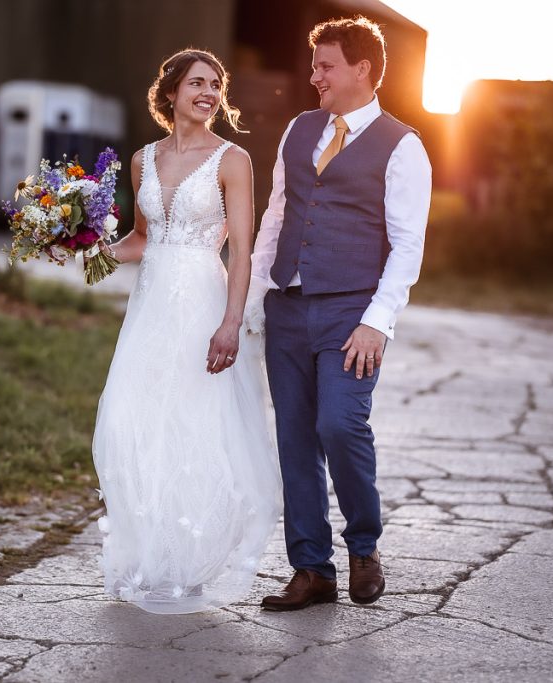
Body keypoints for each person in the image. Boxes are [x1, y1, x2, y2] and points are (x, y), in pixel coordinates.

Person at [246, 16, 432, 611]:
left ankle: (363, 546)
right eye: (314, 64)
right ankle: (312, 569)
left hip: (353, 311)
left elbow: (407, 245)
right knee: (295, 439)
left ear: (363, 70)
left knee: (339, 424)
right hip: (287, 307)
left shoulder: (403, 146)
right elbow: (276, 217)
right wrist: (250, 301)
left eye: (325, 66)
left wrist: (378, 321)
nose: (314, 75)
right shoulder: (299, 130)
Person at [92, 48, 281, 614]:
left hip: (203, 303)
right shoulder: (142, 159)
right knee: (137, 420)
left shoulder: (233, 159)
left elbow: (242, 252)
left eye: (216, 84)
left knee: (197, 428)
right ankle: (153, 554)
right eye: (197, 82)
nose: (209, 92)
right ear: (170, 92)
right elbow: (142, 239)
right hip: (150, 312)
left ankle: (190, 563)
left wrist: (231, 322)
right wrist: (86, 247)